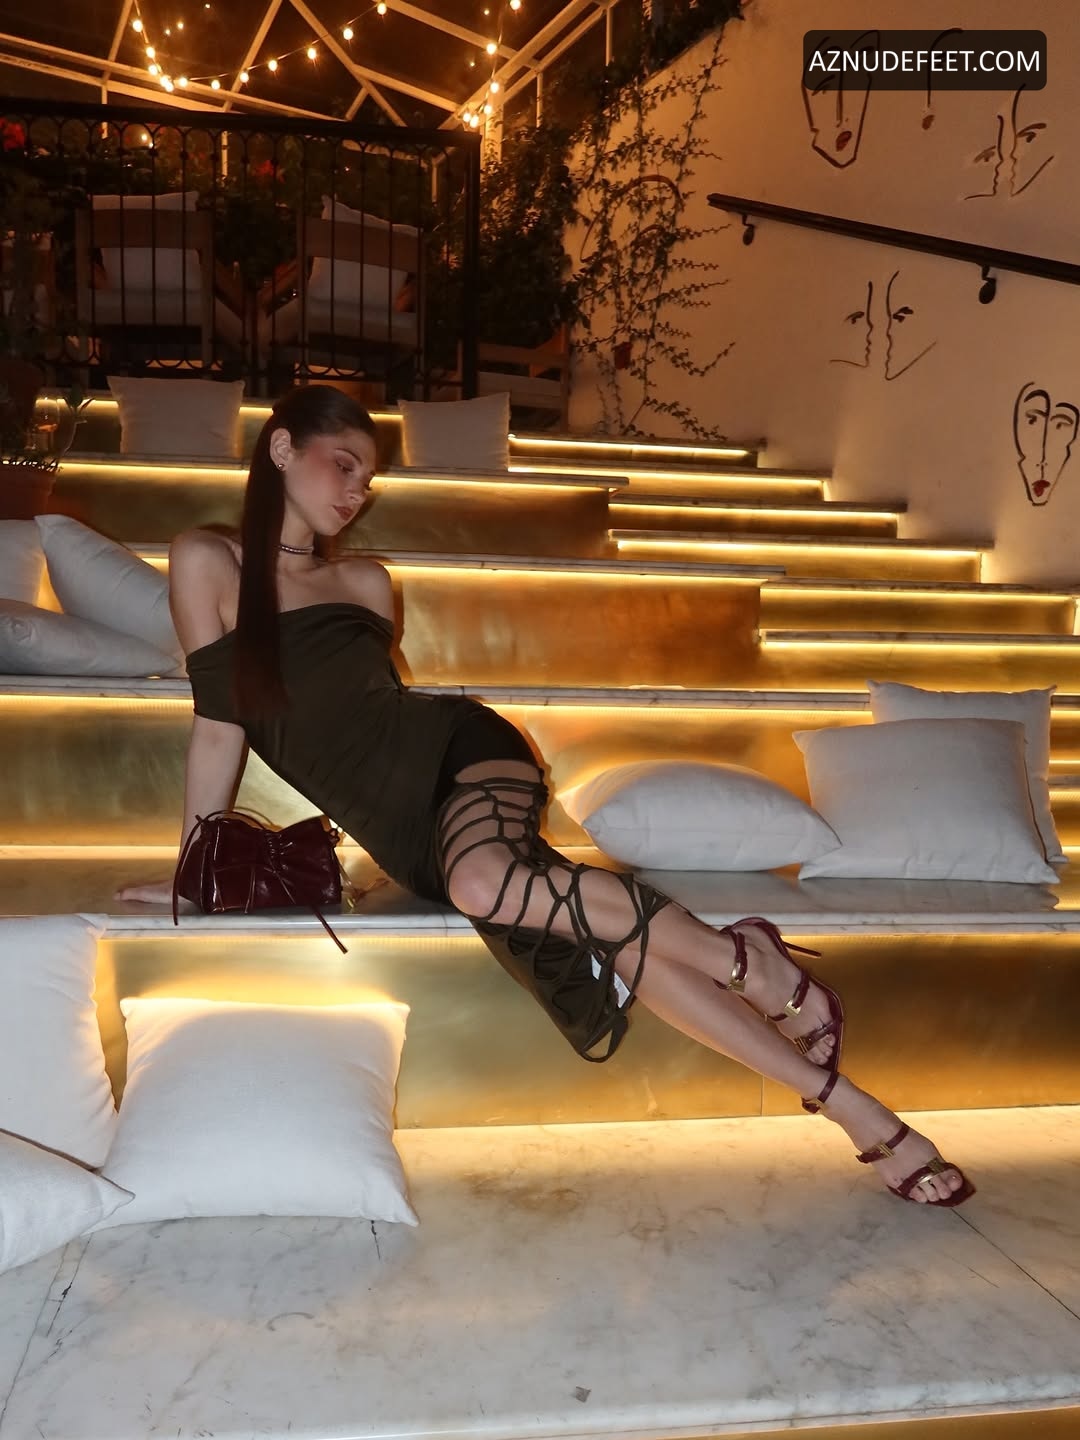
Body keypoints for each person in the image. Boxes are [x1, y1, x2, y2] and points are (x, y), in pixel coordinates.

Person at [118, 385, 974, 1209]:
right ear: (280, 448)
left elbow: (378, 719)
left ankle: (752, 971)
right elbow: (219, 727)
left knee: (484, 883)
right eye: (343, 465)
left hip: (464, 756)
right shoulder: (207, 561)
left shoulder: (367, 582)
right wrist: (198, 866)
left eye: (367, 478)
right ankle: (852, 1104)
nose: (356, 492)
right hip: (411, 837)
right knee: (621, 945)